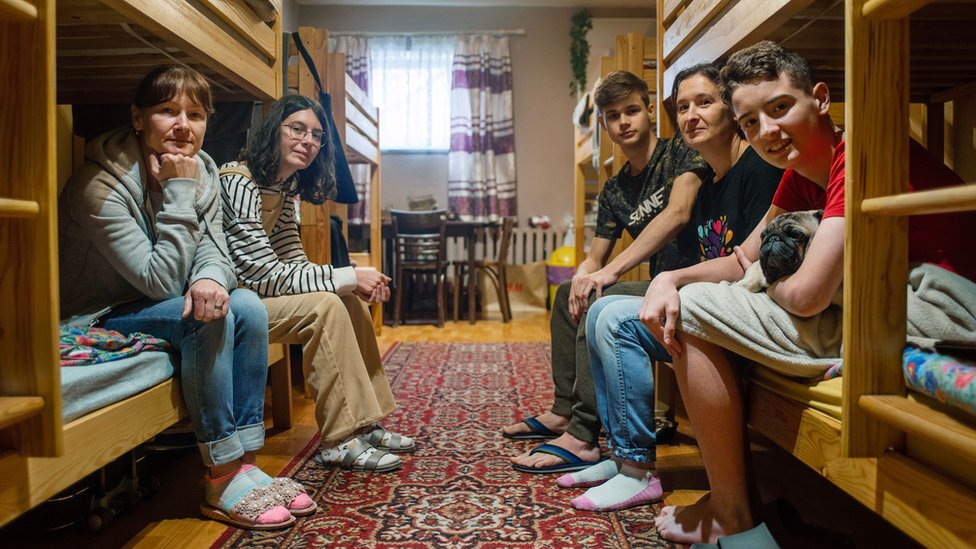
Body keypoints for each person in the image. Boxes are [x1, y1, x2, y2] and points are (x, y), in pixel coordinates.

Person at [625, 42, 976, 544]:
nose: (767, 131)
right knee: (688, 297)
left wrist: (760, 285)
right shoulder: (799, 174)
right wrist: (668, 278)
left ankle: (731, 511)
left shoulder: (858, 153)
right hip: (886, 298)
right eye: (750, 123)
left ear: (821, 98)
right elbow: (746, 259)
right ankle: (732, 498)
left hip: (944, 306)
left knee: (698, 312)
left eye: (780, 108)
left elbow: (808, 295)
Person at [59, 66, 311, 530]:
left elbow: (216, 248)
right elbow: (159, 282)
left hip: (158, 301)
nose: (183, 125)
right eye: (166, 111)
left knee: (248, 304)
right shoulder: (99, 188)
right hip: (100, 313)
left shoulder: (206, 170)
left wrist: (211, 279)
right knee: (204, 316)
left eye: (195, 114)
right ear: (138, 118)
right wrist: (178, 192)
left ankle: (247, 465)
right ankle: (219, 476)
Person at [562, 63, 783, 512]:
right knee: (602, 309)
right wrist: (592, 273)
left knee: (613, 317)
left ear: (732, 108)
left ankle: (636, 469)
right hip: (713, 305)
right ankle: (623, 456)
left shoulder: (759, 168)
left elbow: (750, 264)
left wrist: (671, 280)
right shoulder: (707, 184)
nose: (691, 116)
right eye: (682, 107)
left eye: (705, 102)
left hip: (746, 311)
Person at [505, 71, 711, 473]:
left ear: (650, 110)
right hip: (654, 285)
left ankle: (583, 435)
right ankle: (565, 411)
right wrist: (585, 274)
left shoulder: (680, 153)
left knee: (603, 296)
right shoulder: (614, 189)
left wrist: (607, 274)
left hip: (690, 280)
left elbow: (678, 213)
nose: (624, 122)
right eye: (613, 115)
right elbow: (595, 256)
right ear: (604, 124)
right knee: (570, 292)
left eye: (632, 110)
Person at [219, 94, 414, 474]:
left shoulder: (284, 187)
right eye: (297, 129)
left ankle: (365, 422)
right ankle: (339, 440)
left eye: (316, 135)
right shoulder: (238, 181)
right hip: (233, 299)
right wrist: (345, 276)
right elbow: (260, 274)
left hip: (259, 292)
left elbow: (292, 262)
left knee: (343, 301)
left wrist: (346, 284)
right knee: (324, 305)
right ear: (272, 131)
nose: (308, 141)